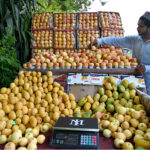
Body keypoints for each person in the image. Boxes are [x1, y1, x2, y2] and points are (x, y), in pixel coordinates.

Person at [89, 11, 150, 95]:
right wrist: (100, 41)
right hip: (136, 83)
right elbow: (117, 40)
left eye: (141, 26)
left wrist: (146, 68)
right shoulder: (136, 39)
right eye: (138, 25)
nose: (137, 28)